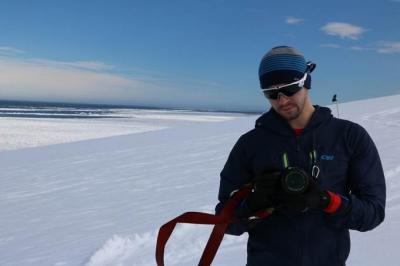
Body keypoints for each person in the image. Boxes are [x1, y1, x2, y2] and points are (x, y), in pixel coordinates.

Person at [215, 46, 386, 266]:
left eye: (289, 89)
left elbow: (372, 213)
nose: (282, 100)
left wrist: (326, 200)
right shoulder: (251, 144)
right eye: (271, 93)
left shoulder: (349, 137)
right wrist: (255, 202)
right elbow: (225, 220)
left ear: (306, 82)